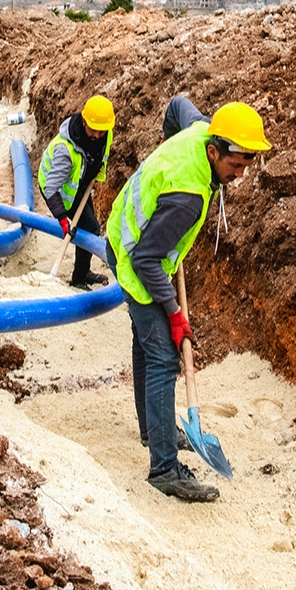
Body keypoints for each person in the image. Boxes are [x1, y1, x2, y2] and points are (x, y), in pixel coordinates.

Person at [105, 96, 271, 502]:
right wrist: (175, 312)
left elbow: (178, 105)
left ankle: (152, 430)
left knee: (149, 343)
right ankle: (163, 469)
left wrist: (168, 142)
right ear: (214, 151)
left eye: (247, 165)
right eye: (236, 166)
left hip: (127, 232)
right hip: (134, 256)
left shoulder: (199, 129)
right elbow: (146, 259)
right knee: (163, 355)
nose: (241, 175)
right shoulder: (189, 195)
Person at [37, 95, 115, 289]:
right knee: (91, 228)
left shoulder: (106, 133)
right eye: (93, 130)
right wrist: (63, 219)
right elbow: (51, 189)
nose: (97, 135)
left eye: (101, 131)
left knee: (91, 227)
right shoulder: (66, 150)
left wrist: (96, 174)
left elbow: (101, 156)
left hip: (78, 183)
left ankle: (82, 273)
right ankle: (79, 279)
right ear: (83, 121)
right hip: (56, 187)